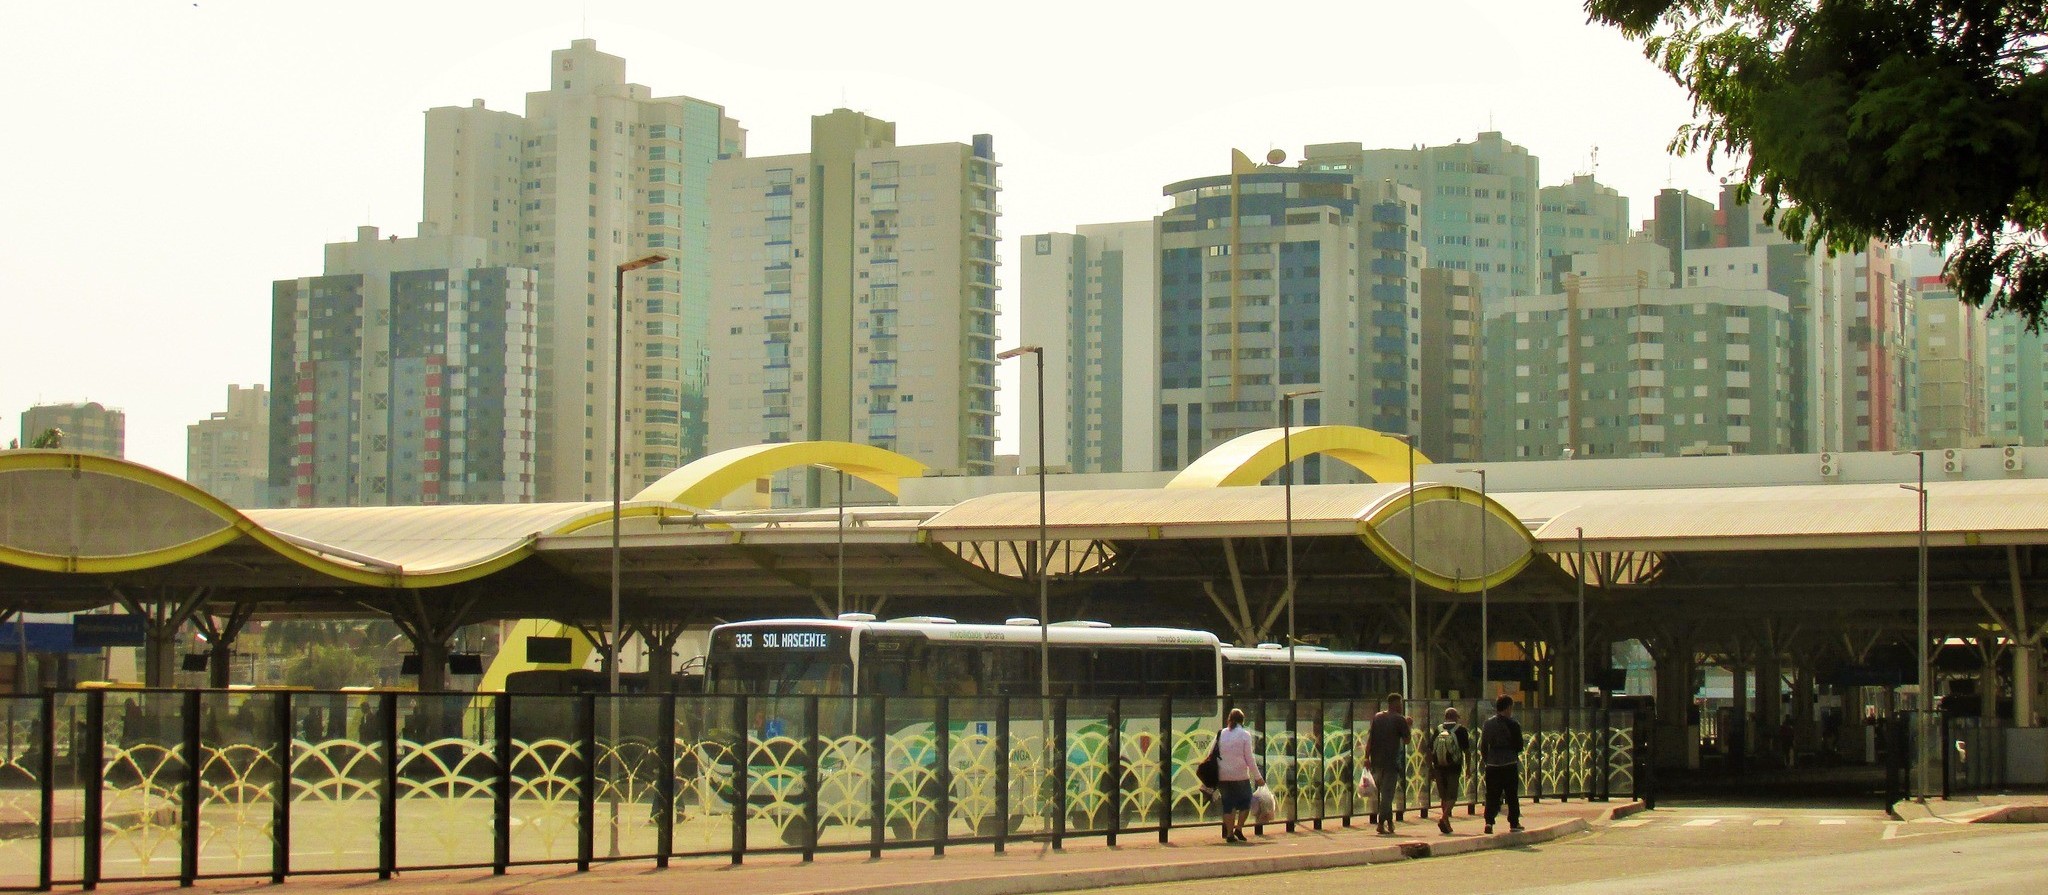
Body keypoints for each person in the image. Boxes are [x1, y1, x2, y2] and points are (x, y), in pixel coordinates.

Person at [1363, 692, 1412, 834]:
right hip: (1391, 763)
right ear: (1396, 704)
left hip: (1376, 762)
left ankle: (1390, 823)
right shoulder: (1399, 719)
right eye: (1401, 704)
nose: (1402, 706)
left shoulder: (1377, 717)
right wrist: (1408, 725)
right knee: (1387, 795)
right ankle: (1381, 823)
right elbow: (1407, 740)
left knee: (1385, 794)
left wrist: (1367, 757)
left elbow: (1370, 739)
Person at [1215, 707, 1263, 843]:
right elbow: (1250, 759)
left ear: (1228, 719)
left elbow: (1211, 754)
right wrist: (1258, 777)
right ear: (1242, 721)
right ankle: (1239, 828)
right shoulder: (1245, 735)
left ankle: (1230, 834)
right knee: (1246, 802)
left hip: (1223, 776)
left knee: (1228, 806)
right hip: (1240, 776)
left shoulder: (1221, 734)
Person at [1479, 694, 1525, 834]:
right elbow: (1519, 745)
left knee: (1492, 794)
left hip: (1492, 764)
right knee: (1511, 794)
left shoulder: (1488, 724)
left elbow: (1483, 745)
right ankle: (1514, 823)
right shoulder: (1513, 724)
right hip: (1509, 762)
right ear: (1508, 707)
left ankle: (1489, 822)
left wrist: (1488, 760)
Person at [1423, 706, 1470, 835]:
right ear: (1456, 717)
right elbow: (1467, 751)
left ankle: (1447, 823)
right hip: (1454, 767)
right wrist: (1468, 769)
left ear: (1445, 717)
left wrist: (1430, 768)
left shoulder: (1438, 730)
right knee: (1452, 796)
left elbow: (1429, 750)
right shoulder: (1461, 730)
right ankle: (1443, 818)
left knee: (1443, 796)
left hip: (1438, 767)